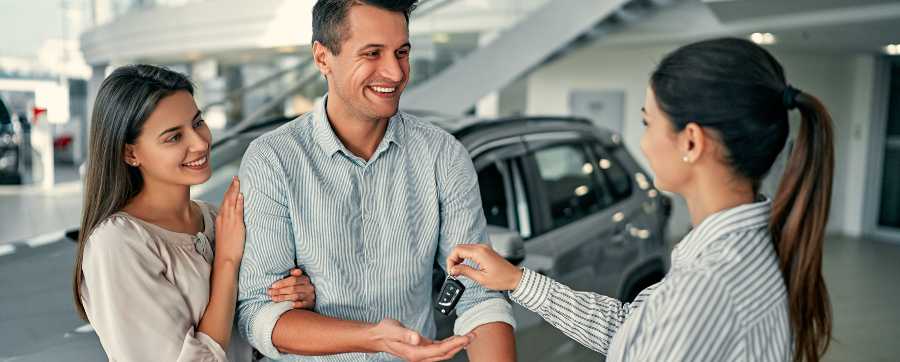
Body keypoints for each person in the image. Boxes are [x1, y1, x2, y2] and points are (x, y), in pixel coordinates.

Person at [447, 37, 834, 362]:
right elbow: (631, 328)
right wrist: (517, 280)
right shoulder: (746, 250)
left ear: (691, 141)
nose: (643, 143)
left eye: (649, 122)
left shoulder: (706, 287)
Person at [235, 0, 517, 361]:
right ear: (323, 58)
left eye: (402, 52)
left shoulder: (443, 155)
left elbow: (480, 296)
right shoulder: (273, 159)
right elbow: (259, 315)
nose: (396, 73)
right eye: (372, 53)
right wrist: (374, 338)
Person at [72, 64, 317, 361]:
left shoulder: (219, 221)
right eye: (174, 137)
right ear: (130, 153)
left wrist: (294, 299)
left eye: (198, 123)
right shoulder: (118, 244)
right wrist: (226, 262)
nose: (200, 143)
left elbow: (255, 336)